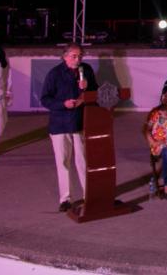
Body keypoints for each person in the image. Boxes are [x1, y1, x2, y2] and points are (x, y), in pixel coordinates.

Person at [39, 43, 98, 212]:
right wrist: (63, 104)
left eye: (80, 56)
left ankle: (89, 194)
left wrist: (87, 90)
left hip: (80, 121)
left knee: (83, 160)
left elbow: (96, 92)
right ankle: (65, 198)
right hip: (60, 123)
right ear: (64, 56)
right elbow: (45, 98)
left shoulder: (86, 70)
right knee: (63, 162)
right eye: (74, 56)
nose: (78, 59)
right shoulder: (55, 73)